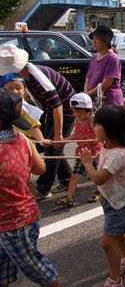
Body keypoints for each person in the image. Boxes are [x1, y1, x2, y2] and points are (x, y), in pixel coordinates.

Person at [0, 88, 61, 287]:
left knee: (36, 267)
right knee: (4, 268)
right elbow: (41, 168)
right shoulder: (23, 140)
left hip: (11, 224)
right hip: (27, 215)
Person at [0, 44, 76, 201]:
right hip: (50, 110)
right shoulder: (25, 77)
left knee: (53, 148)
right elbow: (30, 98)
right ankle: (67, 178)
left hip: (66, 109)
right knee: (53, 148)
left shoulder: (39, 79)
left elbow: (58, 107)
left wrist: (58, 134)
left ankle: (44, 187)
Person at [79, 105, 125, 287]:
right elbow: (106, 158)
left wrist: (87, 163)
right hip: (111, 199)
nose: (93, 128)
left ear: (111, 129)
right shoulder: (108, 145)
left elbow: (99, 179)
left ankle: (115, 280)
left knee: (107, 242)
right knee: (118, 234)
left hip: (120, 204)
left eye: (97, 125)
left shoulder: (118, 154)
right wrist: (97, 158)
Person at [55, 93, 102, 207]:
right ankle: (69, 198)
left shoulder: (93, 119)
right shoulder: (77, 121)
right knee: (74, 175)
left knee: (95, 175)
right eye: (75, 112)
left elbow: (102, 130)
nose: (77, 115)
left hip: (94, 153)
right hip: (81, 153)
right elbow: (76, 135)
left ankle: (99, 192)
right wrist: (62, 141)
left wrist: (98, 137)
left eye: (80, 112)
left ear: (89, 110)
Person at [85, 25, 124, 106]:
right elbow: (88, 78)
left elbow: (106, 84)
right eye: (93, 38)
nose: (94, 41)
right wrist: (86, 94)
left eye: (97, 39)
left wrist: (88, 94)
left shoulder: (112, 58)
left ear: (106, 41)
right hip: (95, 100)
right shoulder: (94, 57)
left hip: (110, 101)